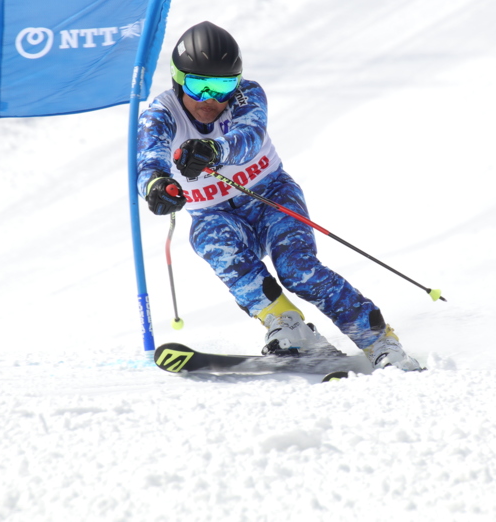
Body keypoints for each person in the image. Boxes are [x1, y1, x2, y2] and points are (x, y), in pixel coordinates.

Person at [136, 21, 421, 371]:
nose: (210, 98)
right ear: (179, 79)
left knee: (296, 269)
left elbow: (249, 134)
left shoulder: (247, 94)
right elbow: (149, 160)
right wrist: (157, 186)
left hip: (270, 196)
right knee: (209, 237)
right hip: (215, 213)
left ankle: (380, 342)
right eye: (199, 85)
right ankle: (288, 325)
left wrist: (214, 149)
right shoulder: (160, 115)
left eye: (222, 85)